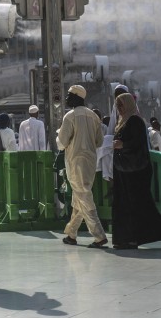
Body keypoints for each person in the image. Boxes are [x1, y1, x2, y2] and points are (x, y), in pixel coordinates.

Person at [110, 94, 161, 250]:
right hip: (124, 170)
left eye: (121, 105)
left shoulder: (135, 121)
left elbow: (137, 143)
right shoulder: (123, 122)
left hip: (136, 171)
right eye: (117, 106)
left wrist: (122, 145)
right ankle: (130, 239)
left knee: (141, 205)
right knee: (127, 205)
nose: (119, 109)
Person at [56, 84, 108, 249]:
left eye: (69, 95)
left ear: (76, 97)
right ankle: (71, 233)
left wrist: (60, 138)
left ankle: (99, 236)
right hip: (90, 162)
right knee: (80, 196)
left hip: (75, 161)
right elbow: (99, 141)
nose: (66, 98)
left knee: (83, 195)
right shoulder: (94, 116)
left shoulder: (70, 117)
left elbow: (61, 143)